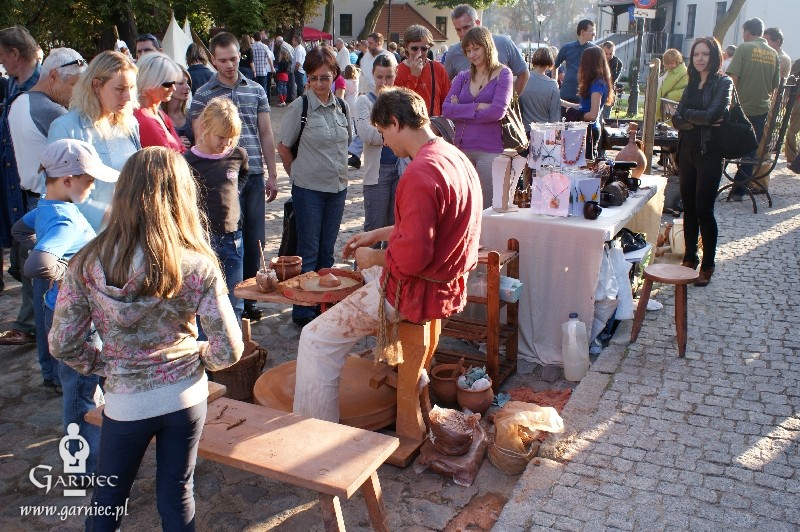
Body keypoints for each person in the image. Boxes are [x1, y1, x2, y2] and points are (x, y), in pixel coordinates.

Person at [49, 147, 244, 530]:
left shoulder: (87, 263)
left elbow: (62, 343)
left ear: (124, 192)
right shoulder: (197, 264)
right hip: (185, 395)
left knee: (108, 499)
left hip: (125, 401)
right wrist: (198, 354)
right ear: (182, 194)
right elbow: (229, 348)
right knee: (177, 492)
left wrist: (105, 364)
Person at [292, 87, 482, 422]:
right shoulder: (455, 157)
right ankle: (397, 377)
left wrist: (374, 258)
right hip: (448, 283)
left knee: (315, 338)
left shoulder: (421, 173)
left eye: (382, 133)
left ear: (394, 122)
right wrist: (379, 234)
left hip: (419, 291)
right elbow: (432, 228)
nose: (386, 142)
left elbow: (412, 259)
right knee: (358, 279)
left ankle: (315, 433)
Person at [13, 139, 120, 476]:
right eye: (89, 180)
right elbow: (35, 266)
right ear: (68, 180)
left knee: (84, 385)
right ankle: (85, 466)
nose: (93, 186)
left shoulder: (48, 207)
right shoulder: (66, 221)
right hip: (76, 317)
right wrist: (66, 270)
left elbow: (20, 229)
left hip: (59, 308)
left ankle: (97, 446)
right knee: (79, 391)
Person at [8, 47, 86, 387]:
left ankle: (49, 370)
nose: (75, 94)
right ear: (53, 76)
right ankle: (56, 372)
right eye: (73, 85)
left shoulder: (18, 102)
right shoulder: (53, 113)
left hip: (32, 202)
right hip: (52, 202)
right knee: (51, 296)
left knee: (43, 297)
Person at [189, 31, 279, 322]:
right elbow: (198, 137)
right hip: (216, 177)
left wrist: (273, 172)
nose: (229, 65)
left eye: (234, 58)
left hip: (250, 173)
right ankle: (218, 298)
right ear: (213, 60)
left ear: (241, 55)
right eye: (223, 60)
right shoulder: (203, 95)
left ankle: (248, 298)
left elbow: (265, 133)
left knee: (253, 238)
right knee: (219, 235)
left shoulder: (255, 89)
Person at [276, 45, 352, 327]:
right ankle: (303, 310)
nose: (319, 83)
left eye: (325, 77)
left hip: (337, 188)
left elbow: (347, 142)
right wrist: (295, 174)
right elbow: (284, 147)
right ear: (307, 79)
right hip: (308, 190)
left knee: (327, 251)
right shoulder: (301, 107)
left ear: (334, 76)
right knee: (308, 250)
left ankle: (324, 304)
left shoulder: (342, 106)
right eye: (314, 78)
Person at [48, 51, 140, 232]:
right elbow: (60, 193)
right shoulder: (65, 128)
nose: (128, 97)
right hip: (89, 238)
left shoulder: (130, 124)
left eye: (131, 88)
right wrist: (110, 218)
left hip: (130, 233)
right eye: (120, 89)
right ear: (96, 86)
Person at [672, 37, 732, 287]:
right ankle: (689, 258)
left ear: (714, 56)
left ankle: (708, 265)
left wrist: (690, 116)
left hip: (709, 152)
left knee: (704, 210)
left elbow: (713, 116)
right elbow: (676, 118)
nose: (699, 58)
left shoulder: (723, 82)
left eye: (705, 54)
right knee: (688, 207)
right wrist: (694, 118)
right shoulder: (692, 83)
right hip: (687, 150)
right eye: (696, 54)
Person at [185, 98, 248, 322]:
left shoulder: (237, 155)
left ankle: (236, 350)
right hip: (202, 239)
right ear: (205, 128)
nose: (226, 143)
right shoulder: (189, 161)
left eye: (231, 138)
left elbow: (243, 175)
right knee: (203, 301)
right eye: (221, 137)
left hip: (232, 237)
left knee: (234, 298)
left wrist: (235, 194)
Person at [0, 25, 40, 347]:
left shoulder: (40, 87)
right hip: (14, 187)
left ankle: (31, 324)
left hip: (32, 189)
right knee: (19, 259)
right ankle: (31, 320)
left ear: (14, 53)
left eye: (2, 55)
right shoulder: (13, 85)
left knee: (30, 260)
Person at [442, 26, 512, 209]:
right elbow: (447, 110)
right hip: (461, 149)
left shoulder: (503, 74)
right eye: (468, 50)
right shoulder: (462, 77)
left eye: (476, 48)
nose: (472, 54)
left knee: (486, 207)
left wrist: (462, 110)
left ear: (487, 46)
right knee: (463, 206)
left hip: (489, 151)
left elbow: (498, 111)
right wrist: (477, 107)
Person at [725, 18, 780, 200]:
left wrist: (730, 104)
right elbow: (775, 85)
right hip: (761, 109)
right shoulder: (773, 54)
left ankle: (713, 182)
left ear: (747, 31)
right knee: (750, 151)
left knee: (723, 145)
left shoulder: (744, 48)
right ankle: (740, 191)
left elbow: (733, 78)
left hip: (741, 108)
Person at [357, 54, 401, 245]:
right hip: (377, 171)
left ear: (395, 75)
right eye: (380, 77)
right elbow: (367, 133)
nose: (384, 82)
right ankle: (364, 273)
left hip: (400, 170)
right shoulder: (364, 102)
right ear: (372, 76)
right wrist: (396, 133)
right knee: (373, 231)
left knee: (395, 231)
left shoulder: (400, 101)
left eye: (389, 77)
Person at [444, 4, 528, 96]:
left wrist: (509, 101)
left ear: (478, 23)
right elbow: (444, 83)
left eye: (466, 27)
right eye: (458, 30)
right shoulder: (453, 52)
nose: (463, 33)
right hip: (468, 109)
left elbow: (523, 73)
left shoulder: (504, 43)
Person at [563, 46, 613, 161]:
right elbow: (583, 107)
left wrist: (574, 114)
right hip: (586, 130)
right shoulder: (595, 83)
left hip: (589, 131)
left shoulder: (597, 84)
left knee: (585, 166)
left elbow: (592, 115)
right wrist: (564, 103)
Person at [134, 53, 185, 152]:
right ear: (148, 84)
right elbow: (168, 158)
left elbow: (181, 149)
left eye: (174, 82)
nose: (173, 88)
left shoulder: (159, 114)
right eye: (167, 84)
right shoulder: (143, 119)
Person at [395, 25, 451, 117]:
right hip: (408, 127)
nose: (419, 53)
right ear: (406, 47)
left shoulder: (438, 68)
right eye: (414, 48)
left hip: (433, 126)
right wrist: (413, 76)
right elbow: (401, 105)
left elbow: (446, 102)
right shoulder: (397, 72)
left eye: (424, 49)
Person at [554, 20, 597, 103]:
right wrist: (554, 83)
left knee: (580, 115)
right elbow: (555, 65)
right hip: (566, 92)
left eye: (594, 31)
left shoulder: (595, 50)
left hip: (584, 92)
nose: (594, 33)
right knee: (561, 115)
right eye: (591, 31)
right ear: (582, 32)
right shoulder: (567, 47)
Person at [519, 46, 561, 127]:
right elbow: (555, 117)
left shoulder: (522, 80)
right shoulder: (552, 84)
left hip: (525, 130)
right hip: (545, 133)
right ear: (550, 62)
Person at [162, 64, 194, 148]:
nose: (187, 87)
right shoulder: (158, 117)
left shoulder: (192, 114)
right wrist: (174, 143)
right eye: (180, 83)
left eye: (187, 82)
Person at [655, 49, 688, 121]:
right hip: (660, 111)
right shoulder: (666, 71)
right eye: (667, 63)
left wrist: (669, 96)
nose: (670, 65)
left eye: (672, 63)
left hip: (671, 112)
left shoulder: (684, 72)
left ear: (678, 61)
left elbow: (686, 91)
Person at [601, 41, 623, 120]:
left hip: (608, 93)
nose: (608, 56)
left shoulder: (617, 63)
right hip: (596, 92)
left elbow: (612, 79)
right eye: (606, 53)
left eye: (610, 54)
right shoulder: (598, 60)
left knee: (605, 118)